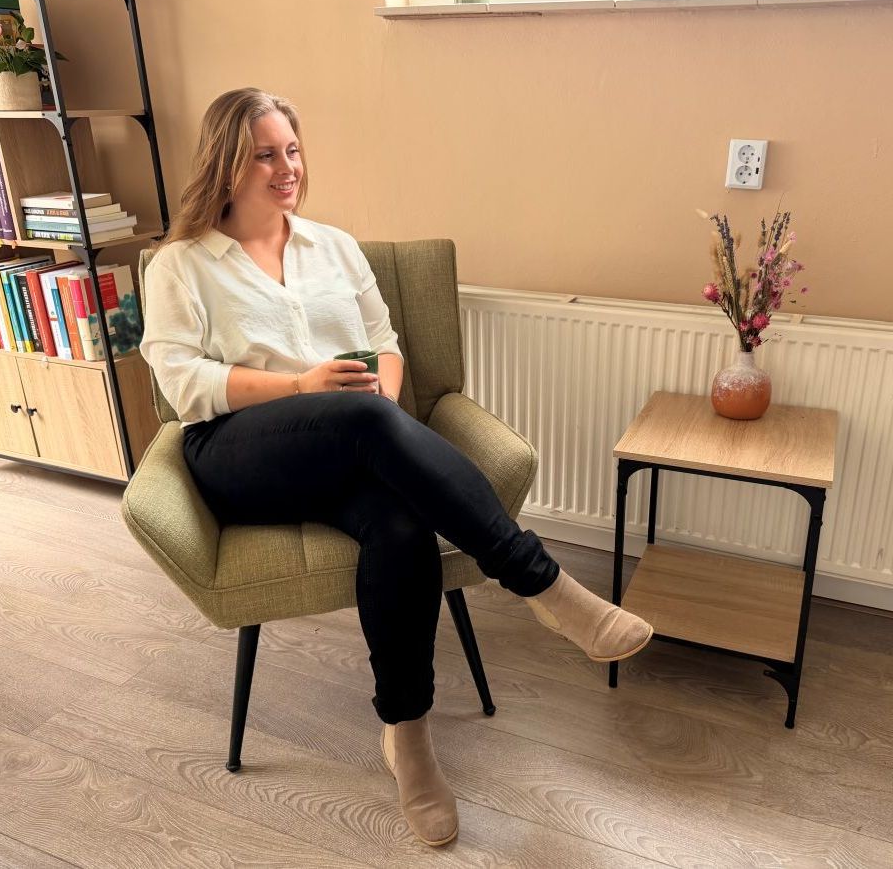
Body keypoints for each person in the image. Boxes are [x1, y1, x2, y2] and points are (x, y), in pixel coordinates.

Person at [140, 87, 653, 848]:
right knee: (366, 420)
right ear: (225, 165)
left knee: (401, 523)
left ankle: (407, 737)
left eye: (293, 150)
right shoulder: (181, 264)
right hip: (240, 453)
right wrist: (304, 388)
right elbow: (183, 384)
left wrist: (380, 393)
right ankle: (543, 584)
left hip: (350, 443)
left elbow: (385, 341)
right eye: (265, 155)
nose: (287, 168)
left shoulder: (334, 247)